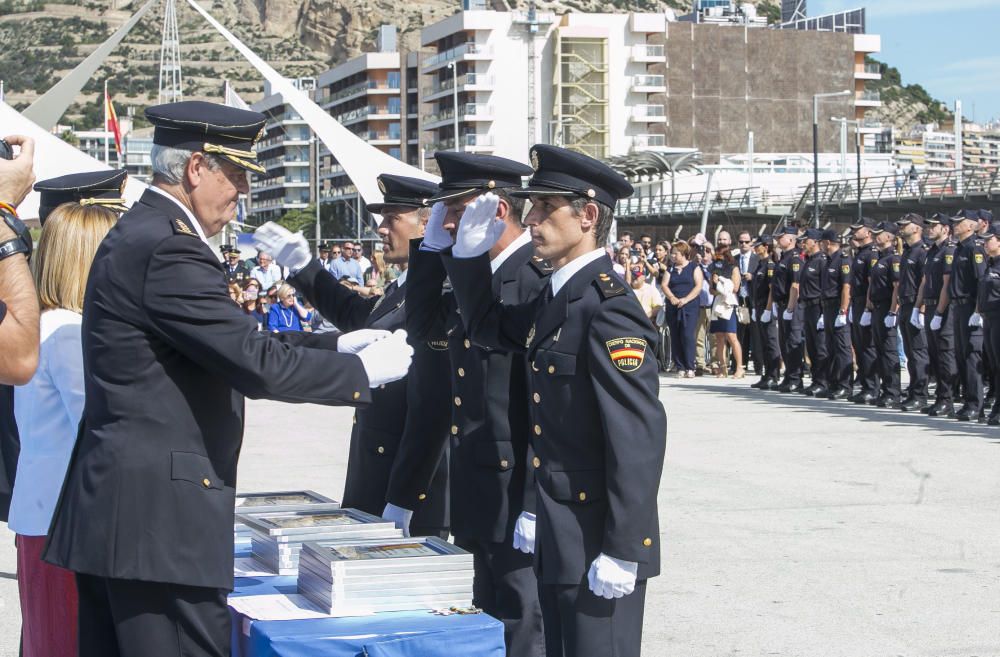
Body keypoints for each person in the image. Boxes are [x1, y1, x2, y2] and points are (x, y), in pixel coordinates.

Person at [43, 101, 413, 657]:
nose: (241, 190)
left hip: (131, 517)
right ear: (197, 168)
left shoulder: (145, 232)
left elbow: (226, 341)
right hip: (156, 525)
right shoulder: (170, 246)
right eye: (236, 174)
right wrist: (359, 372)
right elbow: (254, 363)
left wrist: (334, 341)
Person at [442, 144, 666, 657]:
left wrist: (625, 547)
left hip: (595, 538)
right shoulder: (557, 298)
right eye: (532, 206)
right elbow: (489, 331)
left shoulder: (608, 309)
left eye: (545, 207)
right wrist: (464, 260)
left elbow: (637, 437)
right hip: (558, 532)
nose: (532, 217)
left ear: (587, 216)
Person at [404, 152, 548, 656]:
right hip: (479, 479)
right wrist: (433, 250)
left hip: (514, 487)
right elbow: (421, 326)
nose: (444, 221)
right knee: (488, 619)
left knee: (523, 620)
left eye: (457, 210)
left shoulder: (531, 281)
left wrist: (532, 502)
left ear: (497, 213)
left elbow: (543, 412)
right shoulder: (475, 276)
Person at [257, 173, 453, 541]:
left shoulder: (440, 292)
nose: (380, 229)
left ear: (427, 222)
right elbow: (359, 318)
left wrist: (405, 496)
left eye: (392, 217)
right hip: (375, 468)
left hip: (410, 481)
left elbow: (434, 410)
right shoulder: (405, 288)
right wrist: (304, 268)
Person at [10, 200, 117, 657]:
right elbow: (98, 427)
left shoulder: (50, 326)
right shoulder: (71, 333)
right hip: (65, 525)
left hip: (45, 517)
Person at [945, 209, 988, 421]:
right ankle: (967, 402)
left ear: (970, 225)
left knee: (972, 357)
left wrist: (978, 311)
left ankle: (975, 405)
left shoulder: (974, 248)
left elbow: (981, 282)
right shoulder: (959, 248)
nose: (955, 225)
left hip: (970, 307)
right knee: (961, 355)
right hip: (958, 308)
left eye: (959, 222)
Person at [916, 213, 958, 417]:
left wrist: (940, 312)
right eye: (929, 225)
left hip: (943, 308)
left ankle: (947, 399)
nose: (929, 229)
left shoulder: (949, 251)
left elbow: (947, 284)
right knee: (934, 354)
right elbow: (925, 281)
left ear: (945, 229)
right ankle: (941, 396)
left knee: (945, 355)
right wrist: (918, 307)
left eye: (934, 226)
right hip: (930, 306)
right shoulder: (931, 251)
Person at [895, 214, 930, 411]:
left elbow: (925, 282)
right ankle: (913, 392)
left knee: (918, 353)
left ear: (916, 228)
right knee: (910, 352)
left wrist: (921, 309)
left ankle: (920, 395)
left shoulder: (921, 252)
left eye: (905, 225)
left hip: (916, 306)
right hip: (906, 305)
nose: (902, 228)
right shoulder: (907, 251)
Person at [866, 222, 902, 408]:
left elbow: (897, 286)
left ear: (889, 237)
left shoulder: (893, 259)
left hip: (887, 308)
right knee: (879, 352)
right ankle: (883, 391)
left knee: (889, 353)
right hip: (877, 308)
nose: (875, 236)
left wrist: (893, 311)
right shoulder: (880, 258)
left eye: (879, 234)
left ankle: (893, 393)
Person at [769, 226, 805, 393]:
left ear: (790, 239)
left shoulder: (795, 258)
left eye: (781, 237)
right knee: (784, 342)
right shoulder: (784, 257)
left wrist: (790, 308)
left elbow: (795, 285)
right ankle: (789, 376)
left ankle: (796, 378)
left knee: (793, 342)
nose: (778, 239)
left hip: (792, 305)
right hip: (782, 304)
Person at [848, 218, 880, 404]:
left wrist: (868, 307)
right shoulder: (859, 253)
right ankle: (865, 383)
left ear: (868, 233)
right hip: (857, 302)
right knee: (860, 346)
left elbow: (871, 283)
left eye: (858, 229)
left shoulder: (871, 254)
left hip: (866, 303)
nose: (854, 232)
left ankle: (872, 387)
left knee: (868, 347)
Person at [820, 229, 853, 399]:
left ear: (827, 242)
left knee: (842, 348)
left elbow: (846, 287)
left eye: (822, 242)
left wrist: (843, 310)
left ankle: (845, 385)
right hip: (827, 307)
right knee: (830, 347)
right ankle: (833, 383)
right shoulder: (828, 261)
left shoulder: (843, 260)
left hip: (837, 307)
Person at [662, 241, 703, 378]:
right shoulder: (671, 269)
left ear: (684, 254)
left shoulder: (693, 267)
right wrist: (672, 297)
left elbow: (698, 286)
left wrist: (686, 299)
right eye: (672, 253)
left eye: (675, 253)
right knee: (675, 335)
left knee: (687, 335)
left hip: (689, 306)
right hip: (673, 306)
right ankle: (680, 366)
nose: (672, 256)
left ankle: (690, 366)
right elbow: (664, 285)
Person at [797, 228, 829, 397]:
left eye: (806, 241)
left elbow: (825, 287)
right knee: (811, 346)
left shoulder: (822, 261)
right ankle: (816, 379)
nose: (803, 244)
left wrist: (824, 312)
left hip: (818, 306)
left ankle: (823, 381)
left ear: (815, 242)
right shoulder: (809, 260)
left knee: (820, 346)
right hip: (807, 307)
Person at [749, 235, 781, 389]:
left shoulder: (770, 265)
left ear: (766, 246)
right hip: (759, 306)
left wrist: (768, 309)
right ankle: (767, 374)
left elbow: (771, 290)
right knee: (763, 342)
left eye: (758, 245)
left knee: (771, 342)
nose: (755, 248)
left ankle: (774, 375)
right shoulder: (760, 264)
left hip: (767, 307)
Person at [976, 222, 1000, 424]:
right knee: (994, 365)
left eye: (989, 240)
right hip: (989, 319)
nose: (985, 243)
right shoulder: (990, 264)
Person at [708, 245, 744, 378]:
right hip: (718, 303)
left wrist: (721, 283)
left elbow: (735, 288)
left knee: (731, 336)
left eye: (720, 255)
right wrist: (716, 284)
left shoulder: (734, 268)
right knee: (719, 337)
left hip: (729, 304)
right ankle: (722, 367)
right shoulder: (714, 270)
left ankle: (739, 367)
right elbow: (711, 289)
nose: (717, 258)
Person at [734, 231, 758, 373]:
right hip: (739, 299)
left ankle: (758, 364)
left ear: (751, 243)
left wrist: (752, 276)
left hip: (752, 298)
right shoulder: (735, 259)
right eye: (741, 242)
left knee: (755, 333)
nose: (743, 244)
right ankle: (739, 364)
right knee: (740, 334)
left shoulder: (757, 259)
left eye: (746, 242)